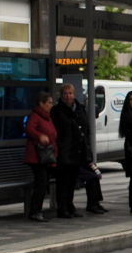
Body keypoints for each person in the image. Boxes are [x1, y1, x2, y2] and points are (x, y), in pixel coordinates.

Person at [50, 83, 90, 218]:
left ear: (74, 94)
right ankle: (62, 208)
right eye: (66, 94)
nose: (68, 96)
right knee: (63, 181)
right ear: (61, 95)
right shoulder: (57, 111)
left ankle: (70, 205)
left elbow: (86, 128)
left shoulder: (80, 109)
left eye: (70, 93)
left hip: (77, 150)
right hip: (64, 151)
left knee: (73, 181)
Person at [24, 91, 57, 222]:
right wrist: (40, 136)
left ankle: (37, 211)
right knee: (41, 183)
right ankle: (35, 211)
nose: (51, 105)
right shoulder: (35, 116)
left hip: (45, 155)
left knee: (43, 183)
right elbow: (29, 129)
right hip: (36, 156)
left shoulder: (47, 117)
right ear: (41, 103)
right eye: (49, 102)